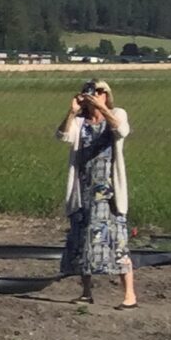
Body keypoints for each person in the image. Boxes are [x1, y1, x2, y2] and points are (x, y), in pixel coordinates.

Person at [58, 80, 135, 307]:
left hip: (109, 190)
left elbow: (121, 130)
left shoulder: (117, 113)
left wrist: (102, 109)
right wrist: (71, 113)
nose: (96, 96)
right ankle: (86, 291)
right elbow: (63, 136)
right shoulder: (81, 123)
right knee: (82, 238)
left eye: (101, 92)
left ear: (106, 95)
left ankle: (129, 294)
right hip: (83, 188)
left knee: (117, 239)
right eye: (92, 93)